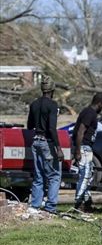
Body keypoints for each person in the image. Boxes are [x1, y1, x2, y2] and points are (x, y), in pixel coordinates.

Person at [26, 79, 62, 214]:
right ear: (52, 90)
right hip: (47, 142)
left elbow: (29, 126)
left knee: (39, 175)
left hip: (35, 141)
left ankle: (35, 206)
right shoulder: (53, 105)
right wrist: (58, 148)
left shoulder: (34, 104)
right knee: (54, 176)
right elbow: (52, 128)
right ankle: (50, 207)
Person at [72, 92, 102, 212]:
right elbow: (81, 131)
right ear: (100, 104)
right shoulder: (90, 113)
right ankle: (78, 203)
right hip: (84, 147)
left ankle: (87, 203)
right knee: (85, 176)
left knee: (88, 176)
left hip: (86, 147)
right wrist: (78, 150)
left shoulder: (88, 112)